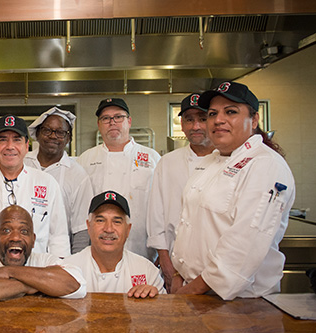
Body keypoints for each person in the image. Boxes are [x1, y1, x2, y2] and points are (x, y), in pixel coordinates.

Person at [171, 82, 295, 300]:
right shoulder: (212, 161)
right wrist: (179, 274)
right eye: (212, 114)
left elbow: (242, 249)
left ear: (254, 120)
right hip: (196, 294)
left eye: (231, 112)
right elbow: (192, 226)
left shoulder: (265, 165)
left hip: (237, 303)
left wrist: (186, 294)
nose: (218, 120)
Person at [0, 115, 71, 261]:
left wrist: (53, 277)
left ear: (26, 146)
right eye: (3, 139)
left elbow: (58, 239)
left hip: (36, 273)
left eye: (17, 139)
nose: (10, 146)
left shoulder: (47, 183)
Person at [0, 205, 86, 304]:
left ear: (33, 240)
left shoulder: (45, 260)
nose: (15, 237)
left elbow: (77, 284)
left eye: (24, 231)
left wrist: (9, 271)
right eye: (6, 230)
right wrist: (35, 285)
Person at [76, 98, 160, 261]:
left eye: (118, 117)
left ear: (129, 121)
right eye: (106, 118)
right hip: (96, 251)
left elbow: (161, 208)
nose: (112, 122)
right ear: (99, 125)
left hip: (141, 249)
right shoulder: (85, 160)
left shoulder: (152, 158)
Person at [146, 93, 215, 290]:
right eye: (189, 120)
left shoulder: (227, 162)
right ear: (182, 124)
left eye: (202, 119)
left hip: (217, 264)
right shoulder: (168, 162)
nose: (196, 126)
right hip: (177, 267)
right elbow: (156, 216)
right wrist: (166, 263)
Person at [63, 191, 165, 298]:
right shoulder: (68, 270)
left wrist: (154, 298)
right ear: (89, 226)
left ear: (128, 229)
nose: (108, 229)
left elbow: (164, 312)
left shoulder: (147, 271)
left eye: (117, 221)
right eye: (100, 220)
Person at [25, 106, 94, 253]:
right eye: (47, 130)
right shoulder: (22, 163)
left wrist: (74, 265)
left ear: (69, 138)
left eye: (60, 132)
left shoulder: (77, 175)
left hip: (58, 255)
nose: (53, 136)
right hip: (18, 253)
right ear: (37, 134)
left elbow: (81, 229)